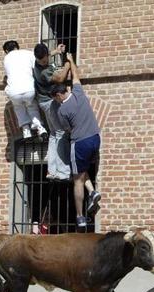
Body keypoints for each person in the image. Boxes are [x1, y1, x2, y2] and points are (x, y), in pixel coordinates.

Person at [51, 53, 101, 228]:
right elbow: (77, 77)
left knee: (76, 179)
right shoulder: (79, 92)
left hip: (79, 142)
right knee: (83, 170)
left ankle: (80, 217)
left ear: (58, 95)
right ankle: (93, 192)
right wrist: (71, 61)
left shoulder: (62, 110)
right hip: (95, 138)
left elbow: (67, 129)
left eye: (55, 99)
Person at [33, 42, 71, 181]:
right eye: (43, 61)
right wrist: (68, 63)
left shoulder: (36, 61)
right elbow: (60, 78)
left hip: (43, 102)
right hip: (49, 102)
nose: (45, 62)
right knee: (60, 133)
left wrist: (56, 51)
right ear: (38, 58)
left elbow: (48, 55)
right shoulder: (43, 71)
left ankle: (52, 170)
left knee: (53, 134)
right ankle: (63, 172)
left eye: (46, 59)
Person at [2, 40, 47, 140]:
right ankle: (40, 128)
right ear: (17, 47)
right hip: (29, 88)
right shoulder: (28, 53)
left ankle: (26, 130)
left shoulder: (6, 58)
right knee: (32, 106)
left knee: (18, 107)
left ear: (6, 50)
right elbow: (36, 65)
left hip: (14, 91)